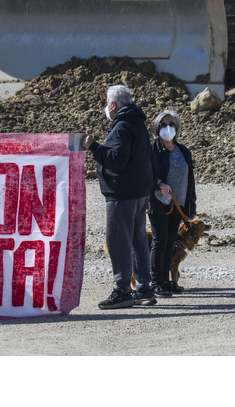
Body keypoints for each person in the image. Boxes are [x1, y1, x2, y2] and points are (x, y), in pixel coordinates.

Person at [83, 84, 158, 309]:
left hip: (122, 194)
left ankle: (122, 290)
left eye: (107, 104)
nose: (107, 108)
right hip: (139, 193)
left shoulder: (121, 127)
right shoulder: (138, 125)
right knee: (138, 241)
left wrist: (93, 147)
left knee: (118, 242)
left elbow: (117, 160)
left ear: (113, 105)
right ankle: (144, 289)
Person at [148, 109, 196, 297]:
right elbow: (146, 173)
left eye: (171, 124)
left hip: (179, 204)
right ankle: (155, 281)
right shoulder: (153, 150)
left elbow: (190, 179)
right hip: (159, 202)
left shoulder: (183, 150)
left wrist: (190, 206)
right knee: (160, 240)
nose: (168, 128)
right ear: (156, 127)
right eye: (163, 124)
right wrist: (159, 184)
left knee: (170, 241)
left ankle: (166, 280)